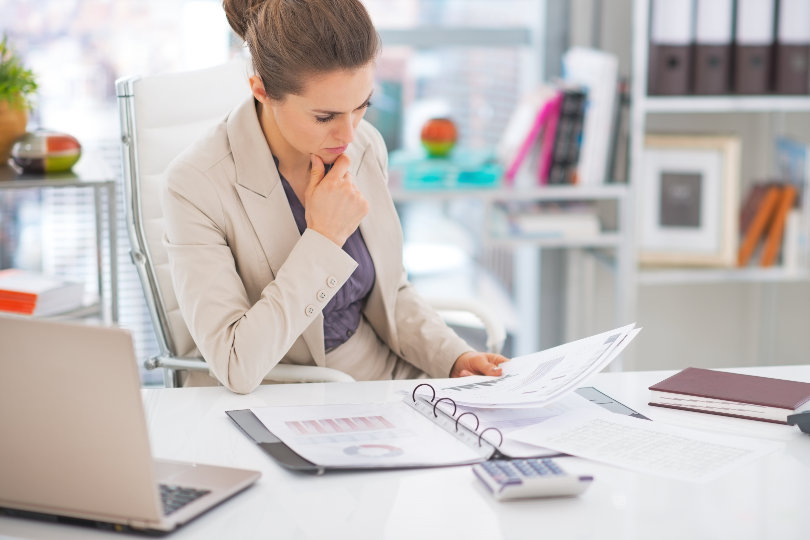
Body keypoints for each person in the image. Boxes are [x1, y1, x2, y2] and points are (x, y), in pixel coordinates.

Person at [162, 0, 508, 394]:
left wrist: (454, 358)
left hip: (391, 379)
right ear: (262, 91)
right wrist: (323, 240)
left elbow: (391, 292)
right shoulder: (195, 184)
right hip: (289, 394)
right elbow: (235, 363)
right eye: (324, 117)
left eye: (362, 106)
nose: (347, 135)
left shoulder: (365, 144)